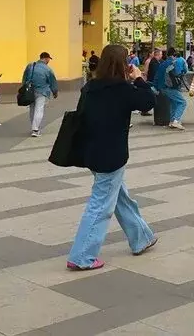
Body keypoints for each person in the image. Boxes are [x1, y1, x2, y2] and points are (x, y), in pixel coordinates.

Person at [67, 44, 158, 270]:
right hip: (112, 155)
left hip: (92, 153)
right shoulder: (122, 89)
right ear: (124, 65)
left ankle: (141, 238)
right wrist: (138, 78)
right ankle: (82, 256)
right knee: (100, 206)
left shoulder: (90, 87)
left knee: (119, 197)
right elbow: (149, 102)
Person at [23, 52, 59, 137]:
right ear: (46, 58)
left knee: (32, 108)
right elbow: (52, 81)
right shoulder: (48, 69)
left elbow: (24, 77)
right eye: (49, 59)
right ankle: (35, 129)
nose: (48, 61)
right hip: (42, 91)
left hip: (30, 91)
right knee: (39, 109)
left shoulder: (30, 65)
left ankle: (34, 127)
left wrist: (24, 88)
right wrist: (55, 92)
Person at [162, 47, 189, 130]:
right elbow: (185, 70)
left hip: (166, 86)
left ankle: (172, 121)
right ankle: (176, 121)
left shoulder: (164, 63)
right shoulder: (176, 61)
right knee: (182, 102)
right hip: (173, 85)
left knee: (173, 103)